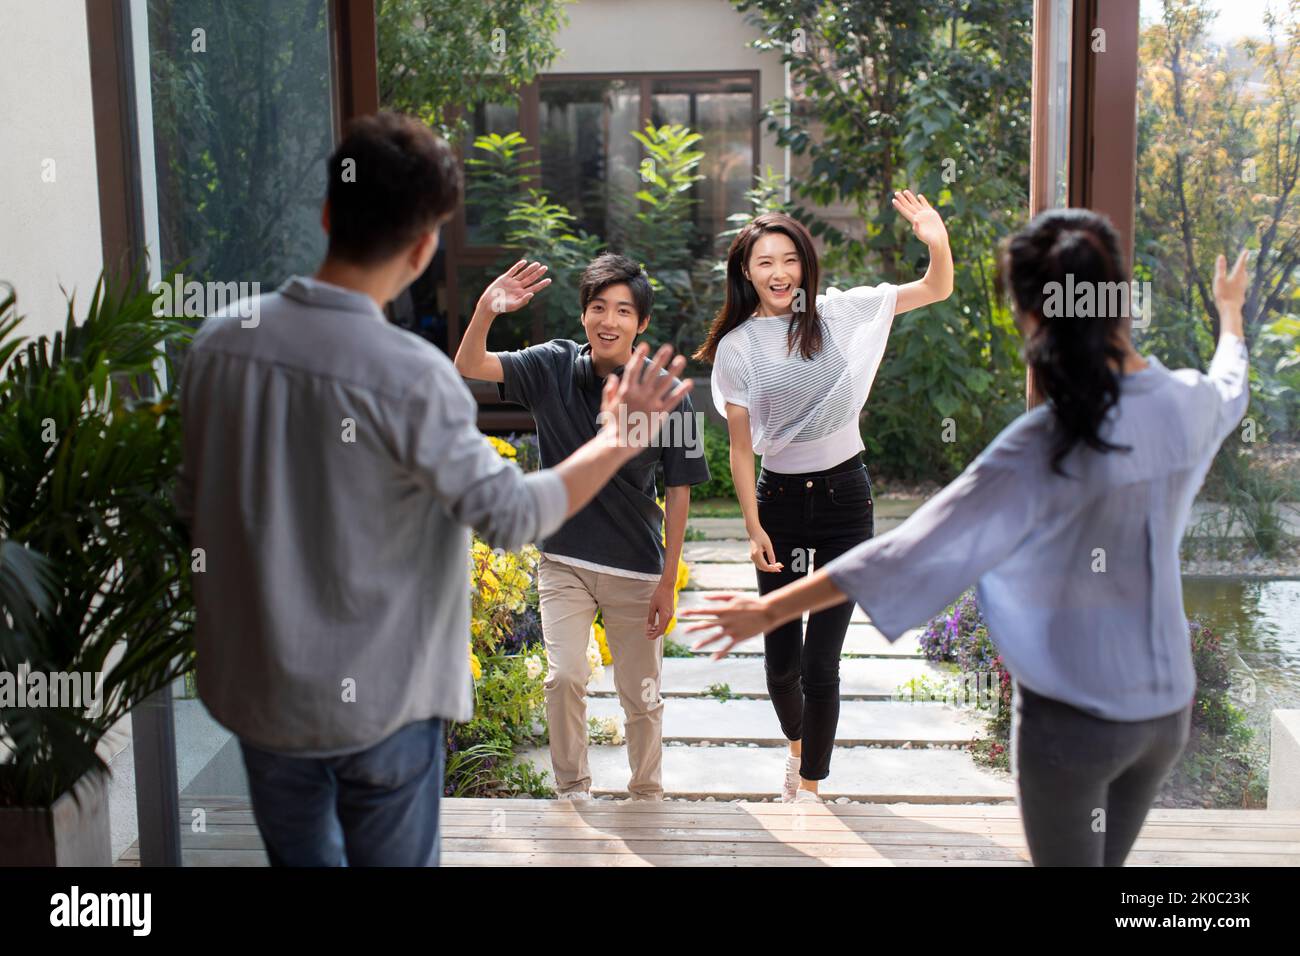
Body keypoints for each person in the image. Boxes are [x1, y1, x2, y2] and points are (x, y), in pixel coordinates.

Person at [174, 112, 693, 866]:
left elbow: (195, 512)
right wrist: (618, 437)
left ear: (326, 214)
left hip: (263, 696)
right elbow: (513, 515)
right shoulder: (413, 377)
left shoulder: (219, 345)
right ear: (423, 247)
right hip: (388, 701)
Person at [685, 208, 1252, 865]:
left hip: (1073, 721)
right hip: (1165, 716)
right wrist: (1230, 315)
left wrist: (769, 608)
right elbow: (1230, 383)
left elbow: (916, 547)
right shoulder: (1188, 402)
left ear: (1035, 320)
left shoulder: (1040, 443)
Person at [691, 195, 953, 803]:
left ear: (806, 266)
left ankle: (810, 788)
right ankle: (797, 746)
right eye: (764, 263)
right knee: (781, 665)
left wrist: (934, 239)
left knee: (821, 665)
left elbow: (934, 289)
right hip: (779, 506)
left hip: (844, 503)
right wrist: (752, 526)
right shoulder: (737, 347)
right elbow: (738, 449)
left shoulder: (839, 313)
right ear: (746, 272)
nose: (778, 273)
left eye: (789, 260)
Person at [454, 253, 710, 801]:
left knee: (641, 696)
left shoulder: (670, 397)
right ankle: (573, 792)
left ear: (641, 323)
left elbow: (679, 489)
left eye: (622, 310)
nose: (608, 320)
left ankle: (647, 794)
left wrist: (668, 580)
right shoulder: (550, 366)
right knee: (564, 676)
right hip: (564, 559)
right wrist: (485, 309)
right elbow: (469, 365)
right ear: (583, 315)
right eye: (598, 307)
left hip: (635, 566)